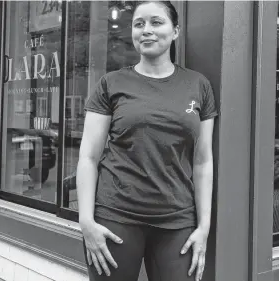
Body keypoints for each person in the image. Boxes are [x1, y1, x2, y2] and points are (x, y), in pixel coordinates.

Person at [76, 1, 218, 281]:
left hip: (177, 221)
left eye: (156, 22)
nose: (146, 30)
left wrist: (204, 227)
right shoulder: (111, 83)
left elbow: (203, 161)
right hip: (115, 217)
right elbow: (88, 157)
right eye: (139, 24)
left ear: (175, 31)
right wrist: (86, 222)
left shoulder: (198, 85)